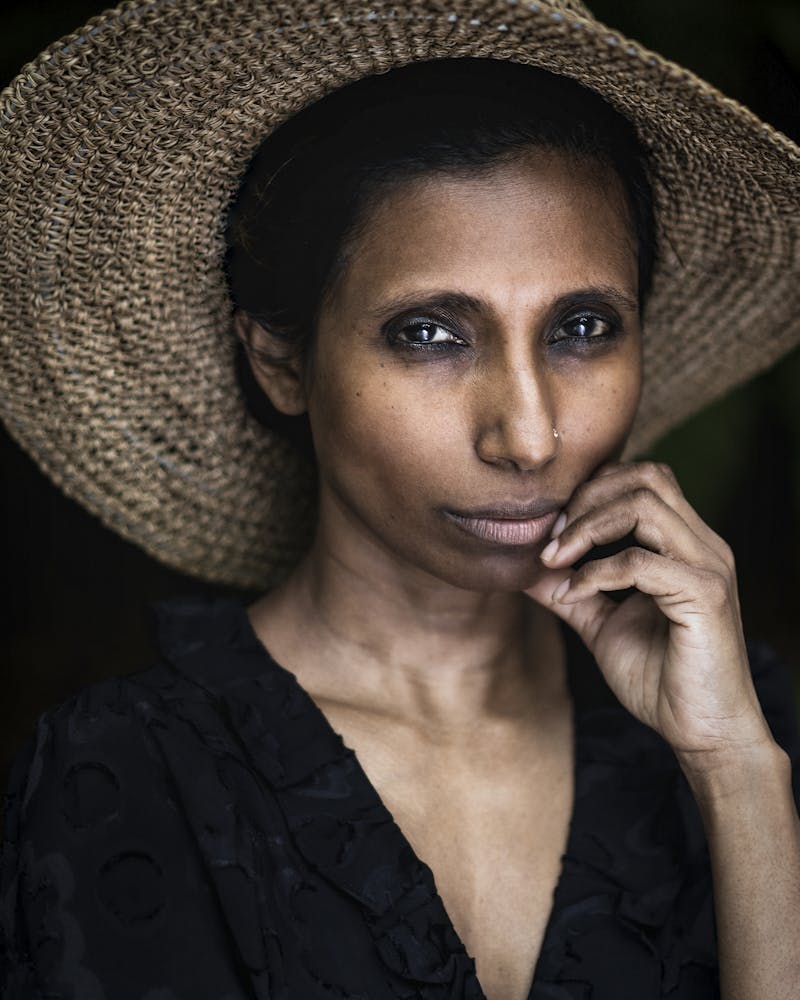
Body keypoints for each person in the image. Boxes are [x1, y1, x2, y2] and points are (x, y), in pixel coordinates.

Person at [0, 1, 799, 998]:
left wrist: (737, 777)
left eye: (582, 326)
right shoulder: (124, 771)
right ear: (280, 361)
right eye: (429, 334)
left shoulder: (746, 721)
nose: (529, 435)